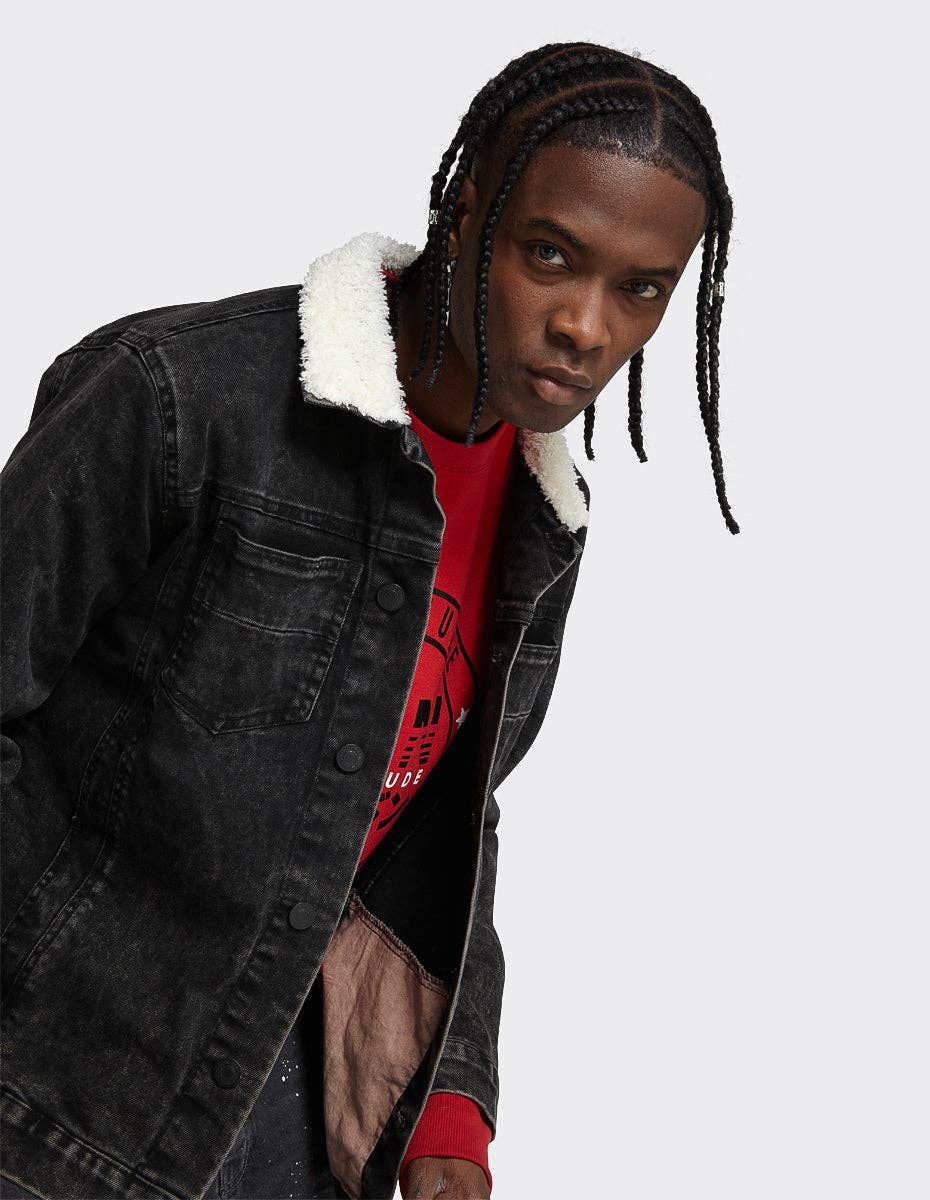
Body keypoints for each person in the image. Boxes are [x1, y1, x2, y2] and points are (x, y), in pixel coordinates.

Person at [0, 39, 739, 1200]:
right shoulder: (179, 398)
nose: (587, 327)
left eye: (641, 288)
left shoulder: (544, 517)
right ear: (464, 212)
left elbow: (447, 817)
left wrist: (449, 1111)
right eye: (551, 255)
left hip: (287, 1120)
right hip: (50, 1108)